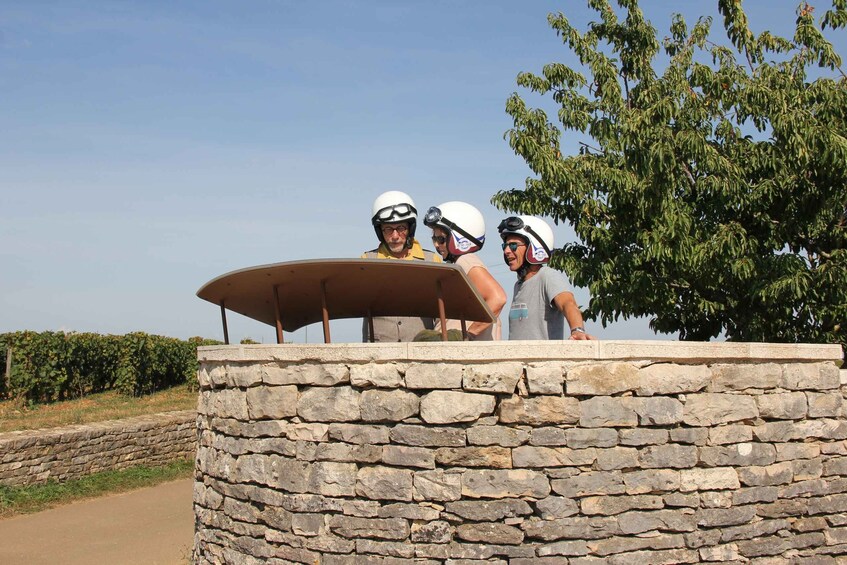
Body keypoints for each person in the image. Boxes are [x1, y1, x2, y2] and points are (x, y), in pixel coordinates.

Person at [498, 215, 595, 340]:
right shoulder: (518, 285)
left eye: (513, 246)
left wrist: (577, 330)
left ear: (534, 247)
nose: (506, 251)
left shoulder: (547, 276)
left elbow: (568, 303)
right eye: (504, 246)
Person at [361, 190, 442, 342]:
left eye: (401, 228)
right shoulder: (366, 261)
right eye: (388, 229)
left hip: (421, 347)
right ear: (380, 231)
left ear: (410, 228)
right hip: (377, 350)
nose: (395, 236)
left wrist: (437, 340)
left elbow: (441, 311)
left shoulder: (431, 261)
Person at [423, 201, 506, 340]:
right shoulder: (459, 264)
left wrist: (468, 335)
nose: (437, 245)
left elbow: (498, 298)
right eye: (434, 239)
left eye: (441, 239)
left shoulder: (466, 260)